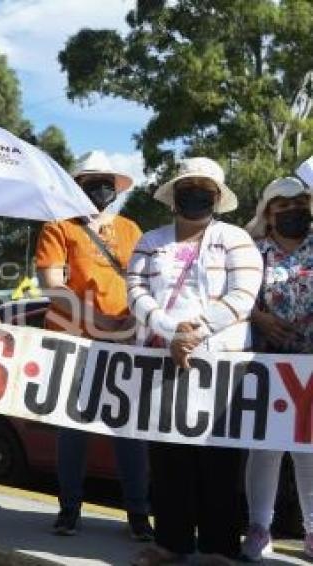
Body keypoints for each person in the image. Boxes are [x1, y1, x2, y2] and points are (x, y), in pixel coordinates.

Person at [127, 157, 263, 566]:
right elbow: (136, 291)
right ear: (174, 195)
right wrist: (171, 332)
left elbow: (244, 294)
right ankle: (171, 543)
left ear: (218, 197)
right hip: (163, 360)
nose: (196, 193)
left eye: (205, 187)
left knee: (219, 457)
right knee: (167, 459)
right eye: (188, 186)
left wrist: (196, 331)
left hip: (222, 364)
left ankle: (219, 547)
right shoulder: (150, 240)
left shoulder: (237, 238)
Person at [34, 151, 152, 540]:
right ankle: (69, 509)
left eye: (108, 182)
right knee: (73, 430)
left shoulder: (134, 230)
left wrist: (136, 317)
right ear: (77, 186)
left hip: (124, 341)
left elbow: (145, 282)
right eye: (92, 182)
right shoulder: (59, 227)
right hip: (76, 342)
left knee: (129, 432)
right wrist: (94, 318)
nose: (101, 188)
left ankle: (138, 514)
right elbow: (51, 283)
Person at [241, 177, 313, 561]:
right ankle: (258, 528)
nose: (292, 212)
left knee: (309, 451)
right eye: (282, 207)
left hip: (311, 367)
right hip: (266, 365)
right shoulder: (253, 252)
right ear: (268, 215)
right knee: (265, 450)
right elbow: (234, 296)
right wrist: (261, 319)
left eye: (300, 204)